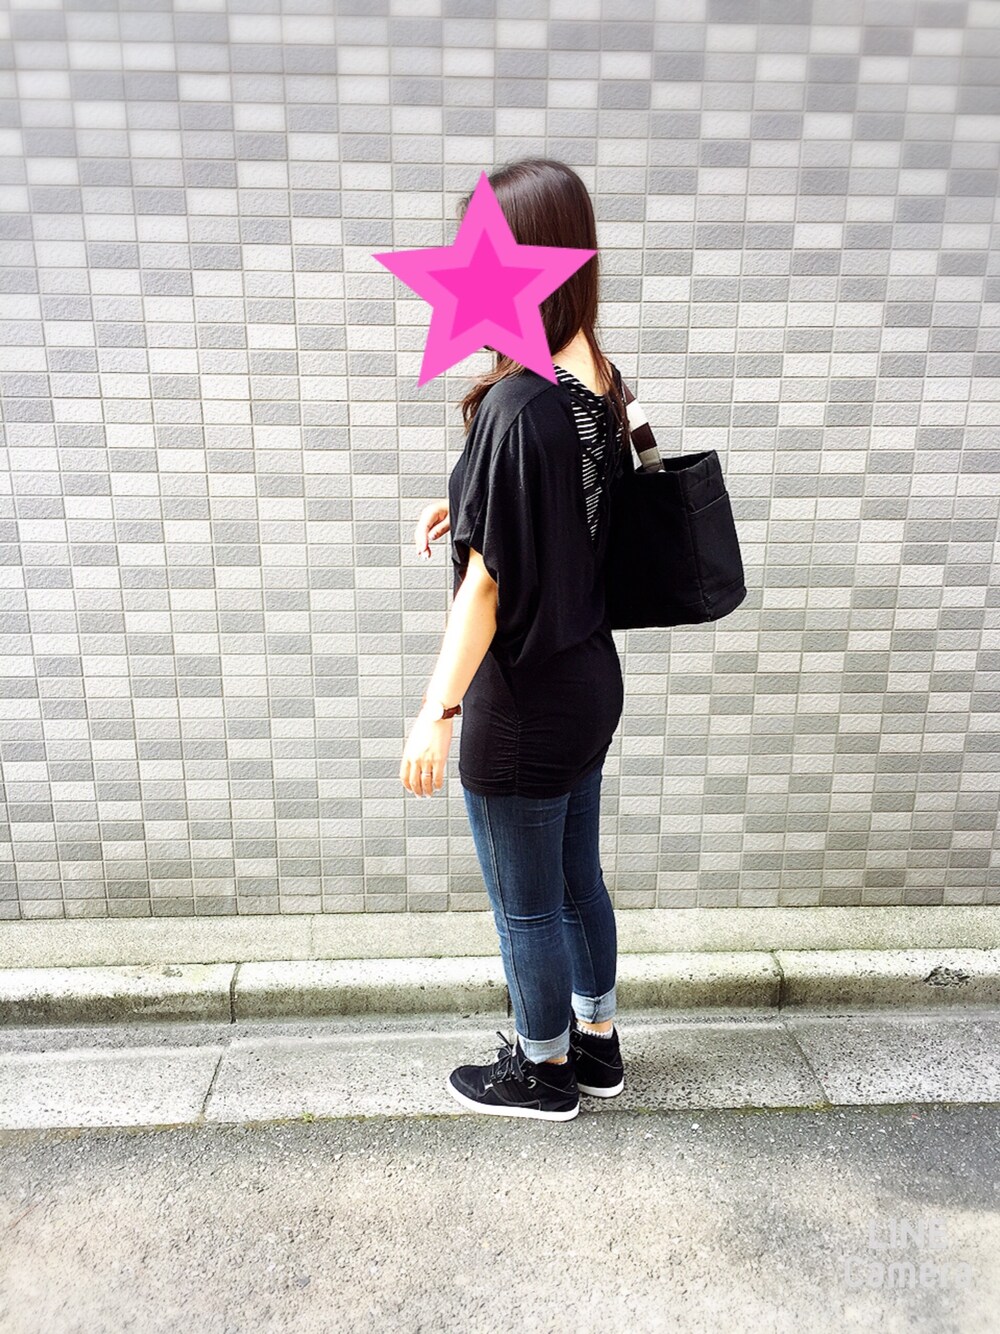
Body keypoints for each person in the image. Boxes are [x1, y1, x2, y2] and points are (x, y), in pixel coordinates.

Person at [400, 158, 635, 1121]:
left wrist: (436, 711)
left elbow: (489, 588)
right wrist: (463, 503)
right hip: (588, 680)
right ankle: (597, 1044)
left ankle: (541, 1073)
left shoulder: (515, 404)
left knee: (526, 904)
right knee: (578, 883)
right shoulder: (597, 379)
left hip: (524, 700)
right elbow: (567, 509)